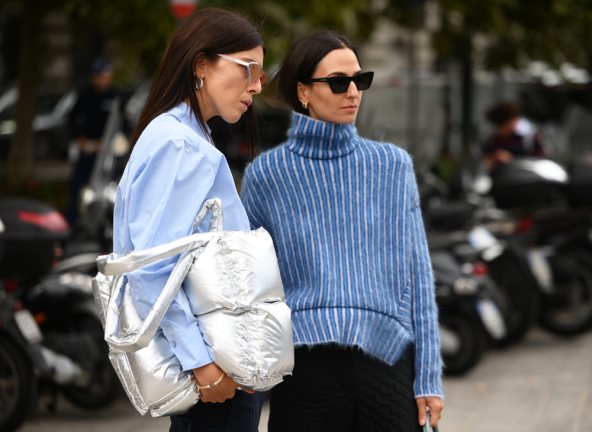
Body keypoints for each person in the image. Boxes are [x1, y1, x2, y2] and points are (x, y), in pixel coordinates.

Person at [240, 31, 444, 432]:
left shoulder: (392, 166)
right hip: (304, 368)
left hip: (385, 363)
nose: (352, 92)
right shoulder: (266, 176)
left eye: (360, 80)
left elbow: (418, 277)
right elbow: (252, 286)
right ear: (303, 91)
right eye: (338, 82)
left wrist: (429, 378)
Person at [111, 8, 267, 432]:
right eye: (249, 68)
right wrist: (203, 367)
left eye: (261, 74)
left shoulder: (180, 134)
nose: (256, 85)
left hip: (218, 361)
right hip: (213, 367)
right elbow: (151, 267)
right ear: (201, 65)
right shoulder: (181, 144)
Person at [66, 57, 117, 224]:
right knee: (79, 187)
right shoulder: (85, 94)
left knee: (107, 187)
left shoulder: (114, 97)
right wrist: (79, 138)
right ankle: (75, 222)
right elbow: (71, 118)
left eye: (104, 75)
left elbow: (122, 125)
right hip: (87, 149)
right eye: (98, 76)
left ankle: (104, 221)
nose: (101, 79)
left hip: (106, 152)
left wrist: (112, 143)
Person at [483, 100, 545, 171]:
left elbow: (540, 162)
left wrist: (511, 160)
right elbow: (485, 164)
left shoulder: (530, 139)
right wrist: (494, 159)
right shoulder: (491, 142)